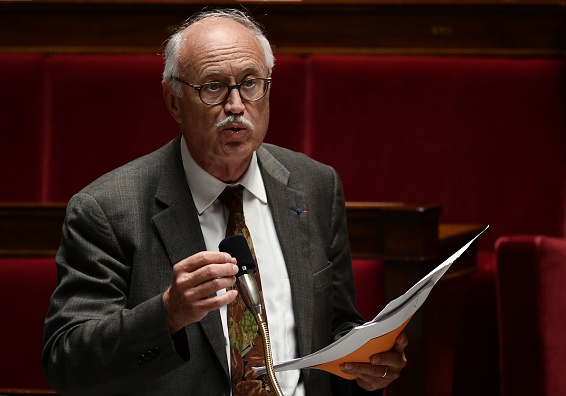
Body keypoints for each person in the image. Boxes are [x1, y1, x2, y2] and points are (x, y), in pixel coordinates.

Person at [42, 8, 407, 396]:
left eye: (251, 83)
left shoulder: (315, 186)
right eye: (213, 87)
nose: (235, 105)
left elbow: (335, 325)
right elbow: (67, 362)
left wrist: (369, 359)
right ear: (174, 101)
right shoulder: (107, 210)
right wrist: (167, 315)